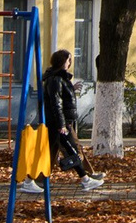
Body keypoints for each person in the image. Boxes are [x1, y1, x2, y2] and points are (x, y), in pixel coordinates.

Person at [43, 49, 105, 191]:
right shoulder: (56, 79)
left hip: (61, 122)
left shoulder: (58, 78)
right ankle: (86, 178)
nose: (69, 63)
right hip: (60, 122)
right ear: (61, 61)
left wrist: (70, 87)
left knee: (55, 150)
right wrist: (61, 124)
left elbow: (60, 97)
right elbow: (56, 103)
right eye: (68, 60)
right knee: (72, 149)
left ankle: (34, 179)